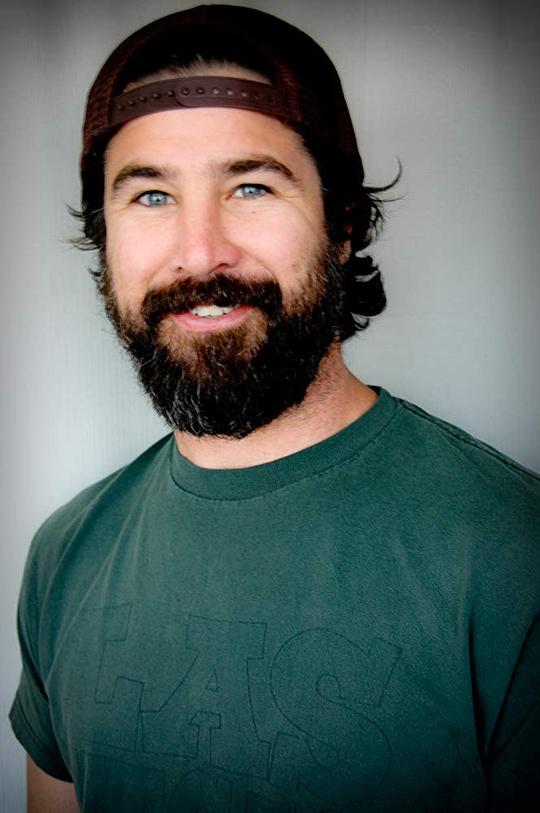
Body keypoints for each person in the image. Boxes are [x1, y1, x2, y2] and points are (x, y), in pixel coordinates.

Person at [9, 5, 540, 811]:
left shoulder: (513, 555)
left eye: (251, 186)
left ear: (343, 225)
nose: (199, 251)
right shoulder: (63, 555)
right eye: (150, 195)